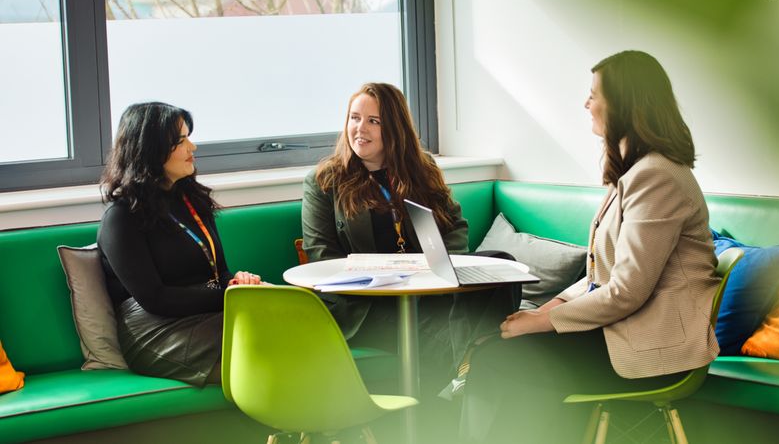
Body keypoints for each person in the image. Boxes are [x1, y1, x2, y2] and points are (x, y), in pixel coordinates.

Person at [459, 50, 722, 443]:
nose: (587, 103)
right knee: (498, 353)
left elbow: (627, 290)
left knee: (503, 359)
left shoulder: (656, 177)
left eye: (594, 94)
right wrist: (550, 308)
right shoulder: (635, 173)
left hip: (654, 350)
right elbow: (599, 277)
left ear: (626, 104)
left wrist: (540, 322)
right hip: (625, 331)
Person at [301, 82, 521, 387]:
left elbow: (455, 226)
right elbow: (320, 252)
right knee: (471, 338)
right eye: (354, 118)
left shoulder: (422, 167)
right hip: (368, 305)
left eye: (373, 121)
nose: (359, 128)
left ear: (394, 127)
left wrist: (442, 266)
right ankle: (475, 370)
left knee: (501, 263)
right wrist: (379, 275)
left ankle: (475, 363)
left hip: (427, 290)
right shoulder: (324, 180)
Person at [97, 102, 261, 386]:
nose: (192, 148)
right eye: (181, 141)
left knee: (287, 318)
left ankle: (313, 425)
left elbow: (218, 274)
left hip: (205, 312)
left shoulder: (194, 200)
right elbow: (155, 298)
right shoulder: (121, 218)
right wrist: (230, 296)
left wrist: (235, 283)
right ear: (151, 150)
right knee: (265, 336)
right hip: (154, 329)